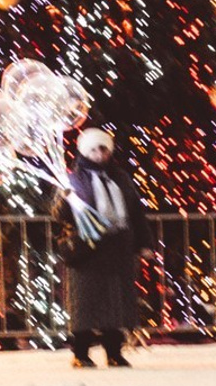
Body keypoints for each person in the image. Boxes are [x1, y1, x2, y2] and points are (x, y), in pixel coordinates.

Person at [57, 126, 152, 367]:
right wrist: (64, 200)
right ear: (84, 151)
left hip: (118, 247)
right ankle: (80, 353)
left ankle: (114, 351)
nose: (99, 154)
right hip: (89, 247)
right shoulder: (74, 179)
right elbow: (60, 214)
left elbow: (135, 213)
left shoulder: (120, 178)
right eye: (94, 149)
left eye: (103, 149)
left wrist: (143, 243)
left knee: (116, 303)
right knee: (86, 305)